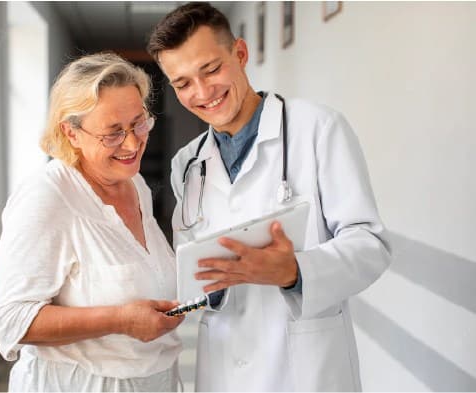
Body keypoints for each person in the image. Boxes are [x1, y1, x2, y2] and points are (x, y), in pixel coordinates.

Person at [147, 2, 393, 391]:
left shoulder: (318, 128)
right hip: (224, 363)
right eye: (183, 83)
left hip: (305, 367)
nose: (202, 92)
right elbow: (195, 270)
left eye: (211, 69)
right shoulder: (188, 164)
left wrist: (295, 271)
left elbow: (371, 245)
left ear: (240, 54)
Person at [0, 52, 184, 392]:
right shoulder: (46, 197)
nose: (132, 142)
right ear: (72, 132)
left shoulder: (134, 184)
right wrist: (120, 320)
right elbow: (12, 322)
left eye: (139, 123)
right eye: (112, 133)